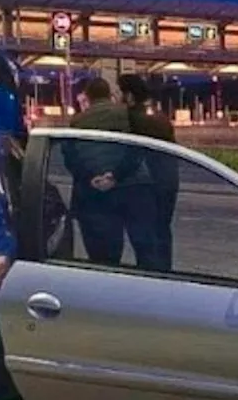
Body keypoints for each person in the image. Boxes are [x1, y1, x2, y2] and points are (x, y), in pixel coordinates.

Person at [65, 77, 163, 269]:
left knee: (105, 256)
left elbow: (71, 157)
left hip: (96, 192)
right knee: (146, 249)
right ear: (109, 94)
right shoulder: (126, 114)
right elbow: (137, 150)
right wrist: (116, 176)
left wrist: (91, 178)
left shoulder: (77, 121)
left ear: (88, 97)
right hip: (134, 187)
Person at [117, 73, 178, 271]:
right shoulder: (160, 117)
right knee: (162, 232)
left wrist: (114, 176)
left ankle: (153, 279)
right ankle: (166, 274)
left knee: (146, 238)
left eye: (121, 94)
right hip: (168, 180)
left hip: (149, 183)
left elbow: (133, 154)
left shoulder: (134, 118)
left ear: (130, 96)